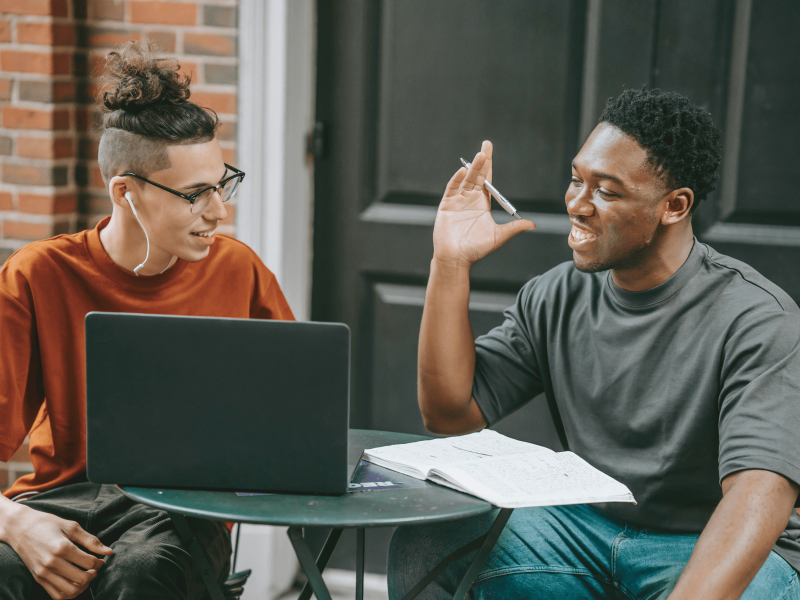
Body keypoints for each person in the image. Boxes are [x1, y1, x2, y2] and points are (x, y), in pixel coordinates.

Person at [388, 88, 800, 599]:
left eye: (606, 191)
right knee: (434, 542)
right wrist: (450, 263)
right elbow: (451, 413)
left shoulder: (758, 318)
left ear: (674, 206)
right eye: (576, 179)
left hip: (702, 542)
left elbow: (758, 493)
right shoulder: (558, 293)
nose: (576, 206)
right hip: (581, 534)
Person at [0, 42, 294, 599]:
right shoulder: (36, 275)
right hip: (59, 500)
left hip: (181, 513)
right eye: (194, 194)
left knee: (145, 571)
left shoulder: (240, 271)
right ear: (124, 193)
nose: (219, 211)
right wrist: (14, 522)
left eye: (222, 182)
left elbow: (289, 422)